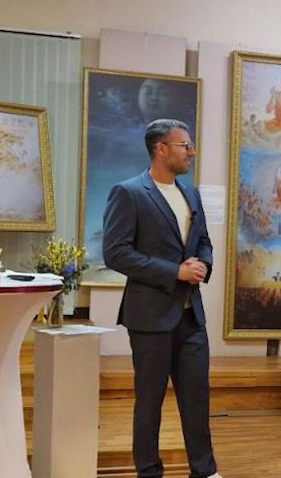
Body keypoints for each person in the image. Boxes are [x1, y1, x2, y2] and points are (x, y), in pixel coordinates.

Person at [102, 119, 223, 478]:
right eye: (185, 145)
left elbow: (203, 241)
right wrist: (174, 272)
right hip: (149, 317)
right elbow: (116, 253)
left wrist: (203, 264)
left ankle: (204, 471)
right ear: (161, 149)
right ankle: (149, 472)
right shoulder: (129, 193)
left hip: (191, 317)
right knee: (149, 403)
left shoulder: (191, 194)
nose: (192, 152)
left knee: (197, 400)